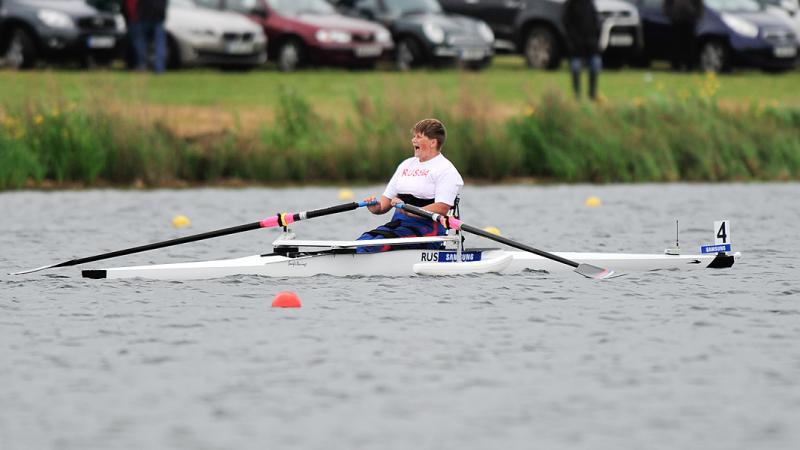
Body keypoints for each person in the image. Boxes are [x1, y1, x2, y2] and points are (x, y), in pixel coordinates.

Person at [356, 119, 463, 254]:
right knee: (363, 241)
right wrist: (376, 207)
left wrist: (408, 211)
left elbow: (441, 208)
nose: (413, 140)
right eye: (414, 136)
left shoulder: (445, 170)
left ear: (433, 142)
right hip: (399, 226)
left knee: (372, 246)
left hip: (428, 231)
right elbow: (384, 205)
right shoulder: (406, 165)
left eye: (419, 136)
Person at [562, 0, 602, 101]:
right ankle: (577, 96)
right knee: (575, 68)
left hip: (591, 45)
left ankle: (592, 95)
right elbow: (566, 24)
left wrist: (594, 39)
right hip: (576, 47)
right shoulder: (570, 4)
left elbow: (596, 22)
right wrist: (573, 41)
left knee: (595, 65)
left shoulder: (589, 3)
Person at [663, 0, 704, 71]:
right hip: (676, 21)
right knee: (675, 45)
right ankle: (675, 66)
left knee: (689, 45)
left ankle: (689, 66)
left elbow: (700, 7)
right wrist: (672, 15)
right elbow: (667, 5)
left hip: (689, 22)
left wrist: (694, 16)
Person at [132, 0, 169, 73]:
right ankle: (159, 68)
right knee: (159, 44)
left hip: (144, 16)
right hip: (158, 16)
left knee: (141, 42)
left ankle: (142, 65)